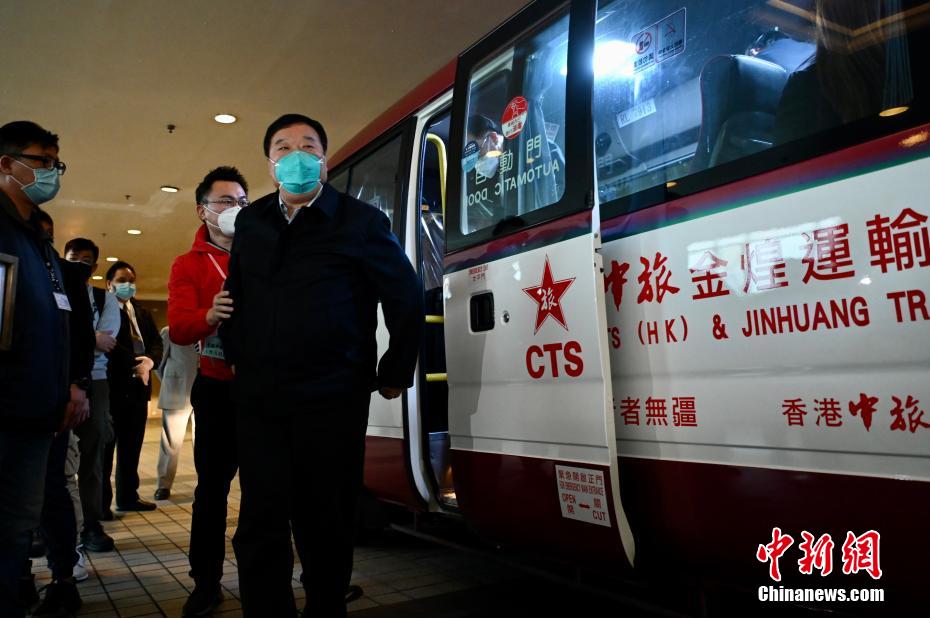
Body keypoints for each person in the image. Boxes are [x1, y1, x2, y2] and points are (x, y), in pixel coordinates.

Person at [221, 114, 423, 617]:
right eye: (283, 147)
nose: (296, 155)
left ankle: (325, 607)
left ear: (325, 162)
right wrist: (237, 350)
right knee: (261, 520)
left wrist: (395, 370)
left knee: (326, 519)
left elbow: (405, 295)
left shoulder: (360, 221)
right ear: (270, 165)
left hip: (332, 398)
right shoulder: (251, 222)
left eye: (308, 146)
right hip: (260, 399)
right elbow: (236, 293)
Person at [0, 121, 85, 618]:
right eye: (42, 161)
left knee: (16, 527)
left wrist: (67, 387)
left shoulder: (38, 241)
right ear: (7, 164)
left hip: (36, 413)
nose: (52, 172)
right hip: (7, 409)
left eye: (56, 163)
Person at [167, 165, 247, 616]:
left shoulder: (264, 252)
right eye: (225, 201)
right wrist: (209, 315)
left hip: (264, 391)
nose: (235, 208)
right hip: (216, 390)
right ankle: (206, 581)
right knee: (212, 491)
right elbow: (179, 327)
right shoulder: (188, 264)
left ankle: (262, 577)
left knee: (267, 489)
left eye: (242, 201)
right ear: (203, 210)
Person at [63, 237, 119, 553]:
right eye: (73, 258)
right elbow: (57, 336)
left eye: (86, 260)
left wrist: (80, 339)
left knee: (93, 453)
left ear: (95, 266)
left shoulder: (102, 297)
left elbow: (106, 342)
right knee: (54, 455)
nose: (79, 265)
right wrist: (89, 337)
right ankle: (47, 526)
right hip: (58, 378)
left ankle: (91, 524)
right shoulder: (55, 291)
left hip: (95, 381)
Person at [102, 261, 162, 514]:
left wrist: (150, 362)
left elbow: (156, 342)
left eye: (131, 281)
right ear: (109, 284)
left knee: (132, 445)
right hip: (112, 387)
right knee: (106, 449)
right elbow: (109, 344)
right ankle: (101, 503)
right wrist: (135, 363)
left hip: (139, 388)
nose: (128, 285)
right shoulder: (103, 309)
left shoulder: (141, 311)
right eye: (122, 280)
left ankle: (128, 496)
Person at [154, 326, 197, 501]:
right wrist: (169, 381)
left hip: (203, 391)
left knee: (204, 441)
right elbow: (159, 363)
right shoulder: (170, 331)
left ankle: (205, 481)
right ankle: (163, 485)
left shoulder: (208, 330)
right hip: (176, 390)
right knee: (171, 441)